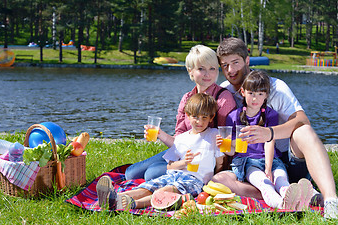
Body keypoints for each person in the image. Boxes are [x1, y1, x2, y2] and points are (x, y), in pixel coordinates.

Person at [213, 37, 338, 218]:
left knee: (304, 131)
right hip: (249, 166)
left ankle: (330, 200)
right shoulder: (225, 92)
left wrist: (269, 133)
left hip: (285, 161)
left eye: (235, 63)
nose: (231, 70)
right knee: (220, 181)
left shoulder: (276, 87)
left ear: (247, 61)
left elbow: (303, 119)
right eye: (225, 65)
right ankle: (291, 195)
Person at [124, 45, 236, 181]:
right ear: (191, 71)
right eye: (201, 69)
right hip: (183, 152)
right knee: (130, 174)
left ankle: (159, 171)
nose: (207, 74)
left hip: (204, 159)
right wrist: (159, 134)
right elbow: (179, 140)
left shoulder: (223, 98)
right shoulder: (187, 98)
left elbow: (226, 140)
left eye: (212, 68)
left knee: (151, 174)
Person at [97, 93, 224, 209]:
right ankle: (113, 197)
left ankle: (132, 203)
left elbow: (219, 163)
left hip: (195, 180)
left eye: (204, 117)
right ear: (188, 116)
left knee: (164, 191)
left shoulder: (213, 135)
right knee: (149, 187)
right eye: (195, 117)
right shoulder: (181, 138)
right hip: (174, 174)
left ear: (211, 118)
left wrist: (212, 179)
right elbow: (170, 166)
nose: (199, 121)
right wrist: (184, 163)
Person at [217, 70, 314, 210]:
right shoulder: (234, 116)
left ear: (266, 95)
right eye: (251, 93)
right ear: (243, 92)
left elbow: (270, 141)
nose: (255, 99)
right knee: (265, 183)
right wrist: (223, 145)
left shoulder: (270, 115)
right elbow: (233, 151)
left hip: (272, 159)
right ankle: (282, 204)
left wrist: (268, 167)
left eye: (260, 94)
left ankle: (295, 197)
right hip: (248, 162)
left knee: (281, 179)